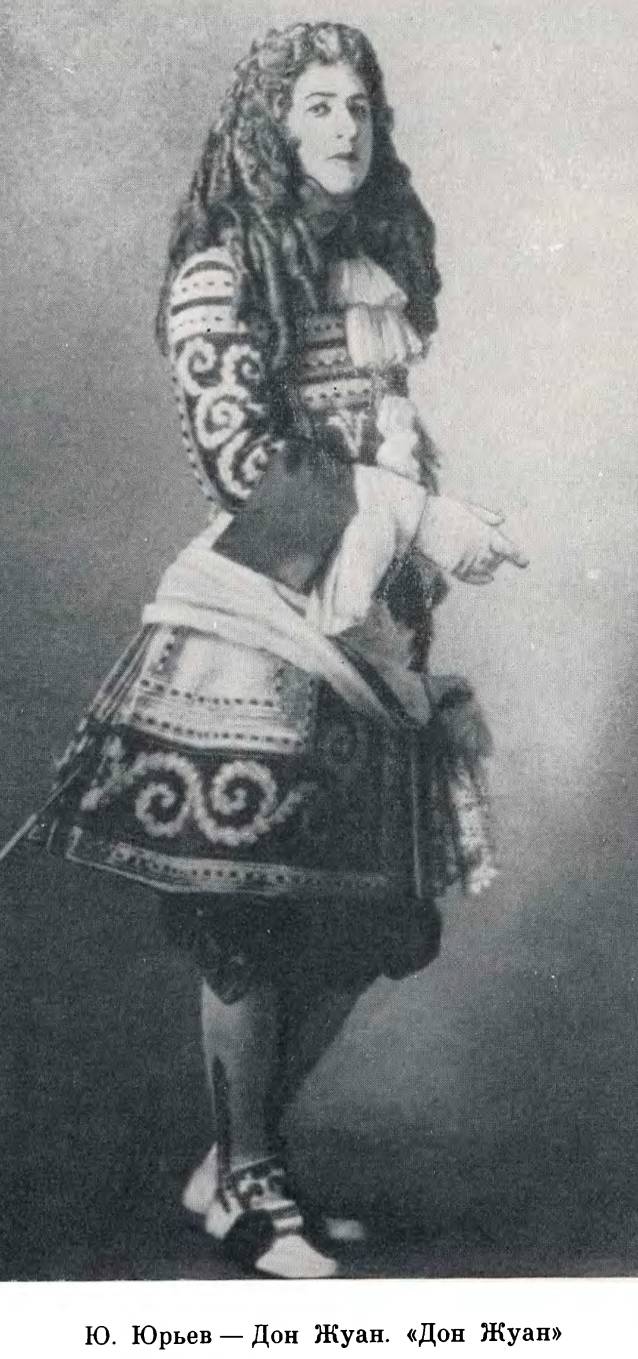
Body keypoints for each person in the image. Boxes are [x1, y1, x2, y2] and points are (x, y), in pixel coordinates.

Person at [9, 22, 527, 1278]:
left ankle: (237, 1159)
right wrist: (414, 511)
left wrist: (423, 523)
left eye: (358, 106)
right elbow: (245, 466)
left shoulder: (369, 266)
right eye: (317, 108)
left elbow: (386, 434)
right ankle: (247, 1186)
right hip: (258, 613)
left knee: (371, 916)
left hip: (367, 627)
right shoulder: (218, 269)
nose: (345, 129)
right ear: (270, 127)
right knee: (247, 913)